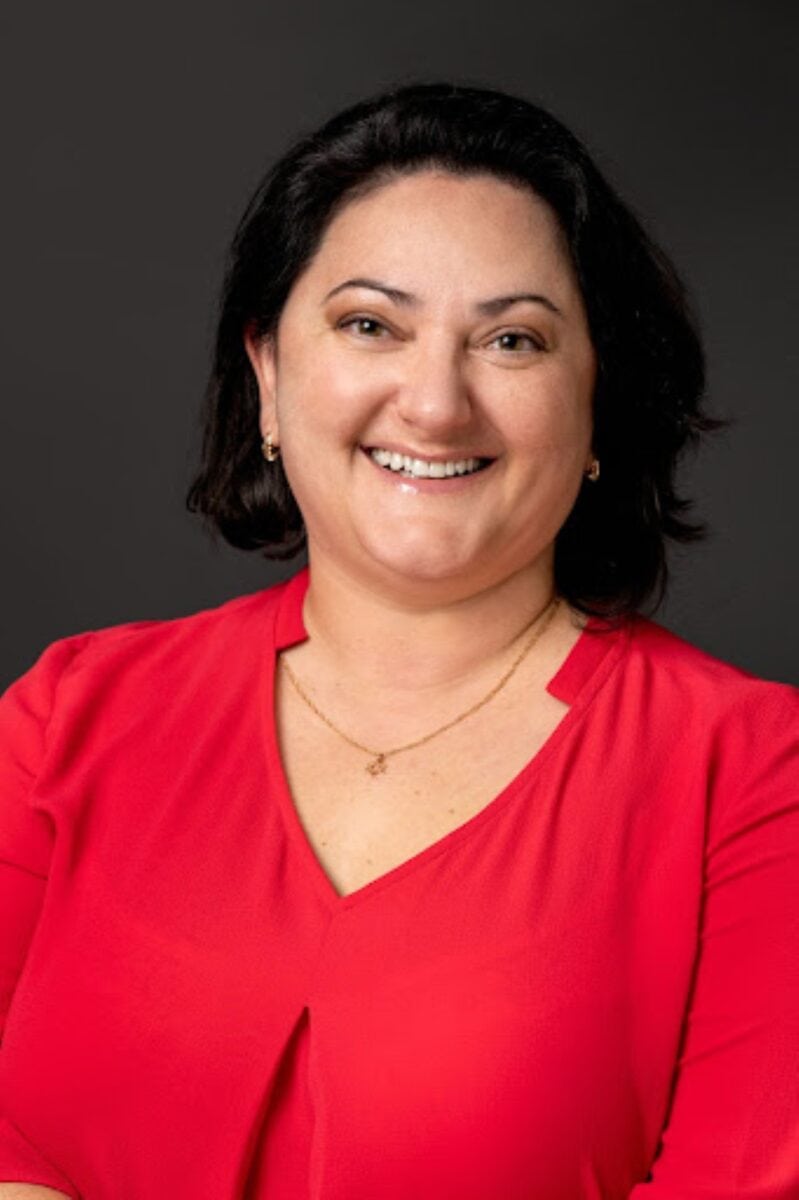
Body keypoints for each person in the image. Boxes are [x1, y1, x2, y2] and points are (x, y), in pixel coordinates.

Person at [0, 81, 796, 1200]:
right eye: (370, 324)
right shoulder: (70, 711)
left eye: (511, 340)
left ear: (599, 407)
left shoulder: (752, 773)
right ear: (268, 373)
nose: (434, 404)